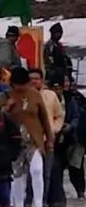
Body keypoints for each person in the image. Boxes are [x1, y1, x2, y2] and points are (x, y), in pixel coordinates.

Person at [5, 67, 54, 207]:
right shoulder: (6, 95)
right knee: (18, 175)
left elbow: (44, 118)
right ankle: (18, 203)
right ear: (13, 84)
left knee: (37, 170)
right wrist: (7, 108)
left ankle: (38, 203)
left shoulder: (35, 95)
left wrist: (49, 139)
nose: (23, 87)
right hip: (14, 141)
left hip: (34, 140)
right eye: (19, 84)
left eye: (25, 84)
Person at [41, 70, 68, 207]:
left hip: (62, 141)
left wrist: (59, 128)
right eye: (55, 87)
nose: (58, 90)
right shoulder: (45, 98)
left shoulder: (70, 98)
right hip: (45, 140)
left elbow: (61, 116)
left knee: (55, 170)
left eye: (60, 87)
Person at [64, 74, 86, 199]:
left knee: (76, 166)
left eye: (68, 81)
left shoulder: (78, 98)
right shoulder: (52, 96)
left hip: (78, 138)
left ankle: (80, 191)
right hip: (60, 138)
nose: (67, 84)